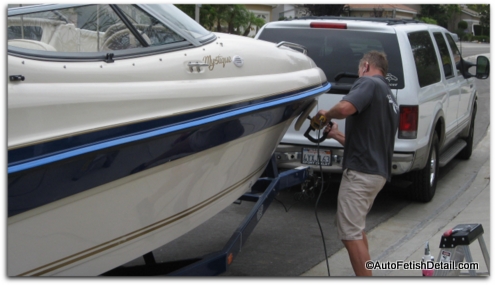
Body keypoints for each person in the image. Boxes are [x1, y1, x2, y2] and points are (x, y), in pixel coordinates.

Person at [311, 50, 399, 276]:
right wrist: (336, 135)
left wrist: (326, 115)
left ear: (366, 66)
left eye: (360, 70)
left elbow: (344, 108)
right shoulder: (389, 97)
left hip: (361, 174)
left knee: (349, 233)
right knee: (357, 230)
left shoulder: (368, 83)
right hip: (376, 173)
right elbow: (369, 143)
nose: (359, 75)